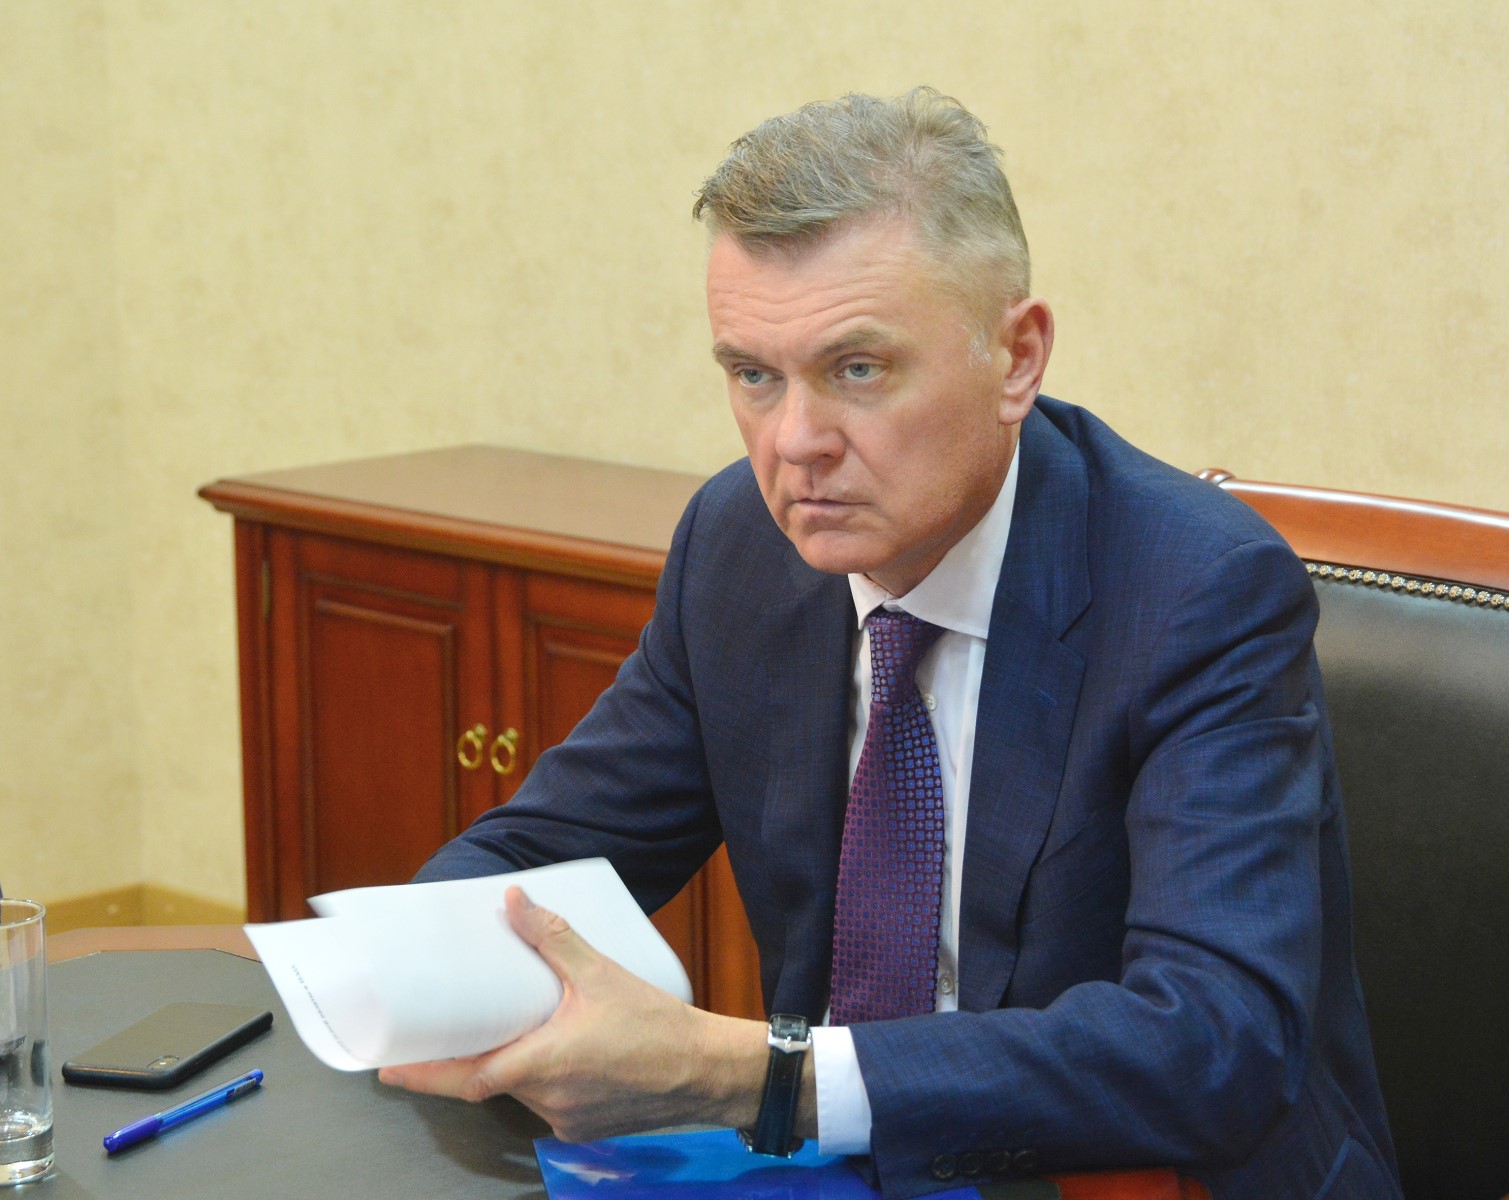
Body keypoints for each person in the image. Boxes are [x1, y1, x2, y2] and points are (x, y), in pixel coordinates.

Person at [380, 88, 1402, 1200]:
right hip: (842, 1168)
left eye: (856, 370)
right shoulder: (739, 545)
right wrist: (402, 966)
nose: (794, 443)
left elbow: (1211, 1045)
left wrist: (755, 1076)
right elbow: (549, 852)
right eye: (753, 375)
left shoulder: (1196, 590)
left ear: (1016, 357)